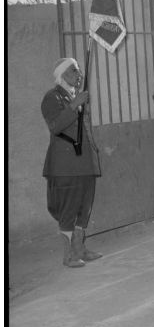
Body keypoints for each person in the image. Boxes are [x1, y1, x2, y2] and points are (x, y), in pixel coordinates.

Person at [41, 57, 102, 268]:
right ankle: (68, 256)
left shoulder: (74, 96)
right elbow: (55, 126)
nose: (79, 75)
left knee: (84, 208)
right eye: (74, 71)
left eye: (79, 71)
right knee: (68, 209)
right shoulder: (52, 97)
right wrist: (76, 104)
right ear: (63, 74)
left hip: (84, 162)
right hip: (65, 165)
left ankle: (79, 249)